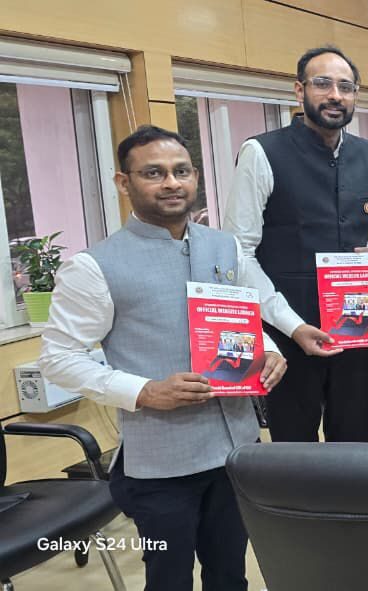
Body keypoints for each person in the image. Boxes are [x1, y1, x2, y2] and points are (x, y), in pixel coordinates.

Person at [40, 125, 288, 591]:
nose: (172, 183)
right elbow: (59, 358)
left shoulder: (225, 246)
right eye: (154, 173)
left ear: (196, 177)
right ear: (124, 182)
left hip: (237, 450)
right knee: (168, 579)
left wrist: (269, 351)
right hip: (161, 465)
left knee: (230, 574)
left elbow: (243, 316)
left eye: (181, 171)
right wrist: (145, 391)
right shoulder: (94, 266)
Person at [222, 46, 368, 443]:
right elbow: (239, 250)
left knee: (354, 443)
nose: (335, 95)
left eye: (346, 87)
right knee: (295, 450)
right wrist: (293, 325)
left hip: (356, 326)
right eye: (323, 84)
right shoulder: (261, 153)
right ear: (299, 90)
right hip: (286, 333)